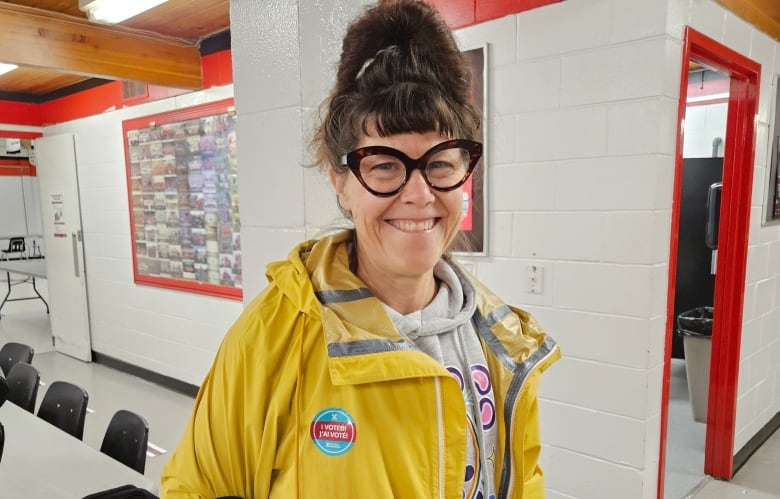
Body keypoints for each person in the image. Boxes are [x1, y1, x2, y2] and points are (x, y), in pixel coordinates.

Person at [160, 1, 560, 497]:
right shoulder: (271, 340)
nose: (418, 194)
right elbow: (196, 489)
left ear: (465, 174)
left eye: (440, 162)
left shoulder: (504, 341)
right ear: (341, 183)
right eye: (385, 165)